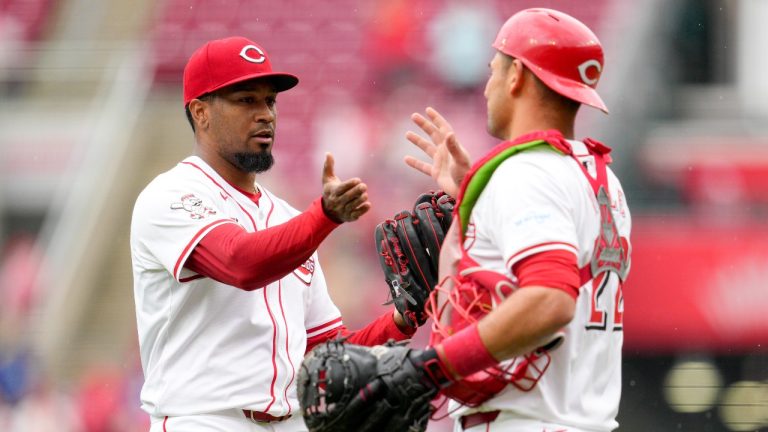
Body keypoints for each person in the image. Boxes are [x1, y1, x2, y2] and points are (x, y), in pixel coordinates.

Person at [129, 36, 417, 432]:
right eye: (246, 100)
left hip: (290, 422)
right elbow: (240, 262)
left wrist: (402, 320)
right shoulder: (171, 195)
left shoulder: (288, 219)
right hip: (204, 420)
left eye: (270, 101)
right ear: (200, 112)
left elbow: (325, 352)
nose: (265, 114)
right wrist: (325, 216)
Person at [396, 8, 631, 431]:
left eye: (493, 71)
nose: (486, 87)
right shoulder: (601, 178)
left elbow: (551, 299)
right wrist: (476, 194)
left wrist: (428, 369)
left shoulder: (525, 174)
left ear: (516, 75)